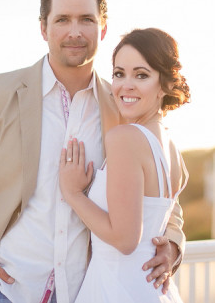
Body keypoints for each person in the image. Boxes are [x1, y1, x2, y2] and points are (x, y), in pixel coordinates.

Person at [0, 0, 186, 303]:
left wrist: (173, 244)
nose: (75, 32)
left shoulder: (125, 107)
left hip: (84, 292)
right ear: (43, 28)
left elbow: (163, 193)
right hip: (4, 289)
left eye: (86, 20)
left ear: (102, 28)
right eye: (62, 19)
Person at [59, 28, 190, 302]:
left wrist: (72, 194)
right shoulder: (173, 149)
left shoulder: (125, 138)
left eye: (141, 75)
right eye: (119, 73)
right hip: (151, 290)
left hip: (117, 289)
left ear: (165, 84)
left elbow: (125, 239)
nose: (125, 85)